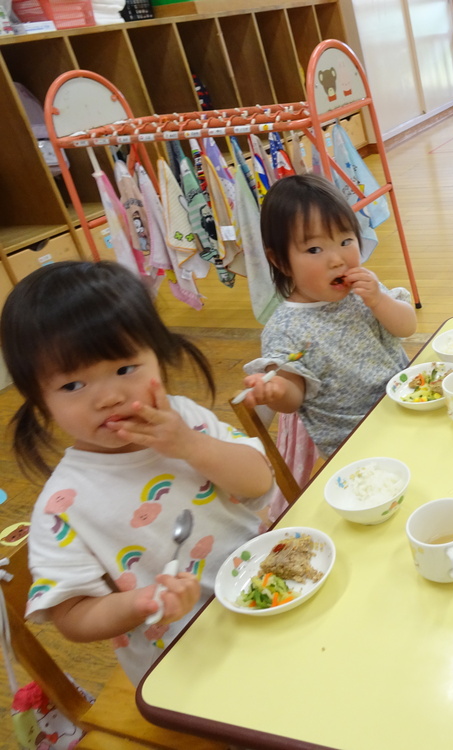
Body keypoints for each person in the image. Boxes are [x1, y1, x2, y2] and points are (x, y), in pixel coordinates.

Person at [0, 261, 274, 685]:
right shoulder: (64, 505)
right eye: (73, 386)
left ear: (159, 357)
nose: (109, 397)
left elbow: (259, 482)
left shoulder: (185, 418)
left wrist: (189, 444)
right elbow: (71, 614)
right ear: (40, 401)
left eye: (125, 368)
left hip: (268, 585)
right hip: (188, 657)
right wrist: (141, 603)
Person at [240, 173, 417, 458]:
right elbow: (293, 397)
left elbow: (407, 327)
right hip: (354, 443)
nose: (337, 259)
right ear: (280, 261)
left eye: (346, 240)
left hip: (406, 402)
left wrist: (379, 300)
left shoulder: (364, 289)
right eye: (314, 249)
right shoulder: (285, 328)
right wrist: (276, 391)